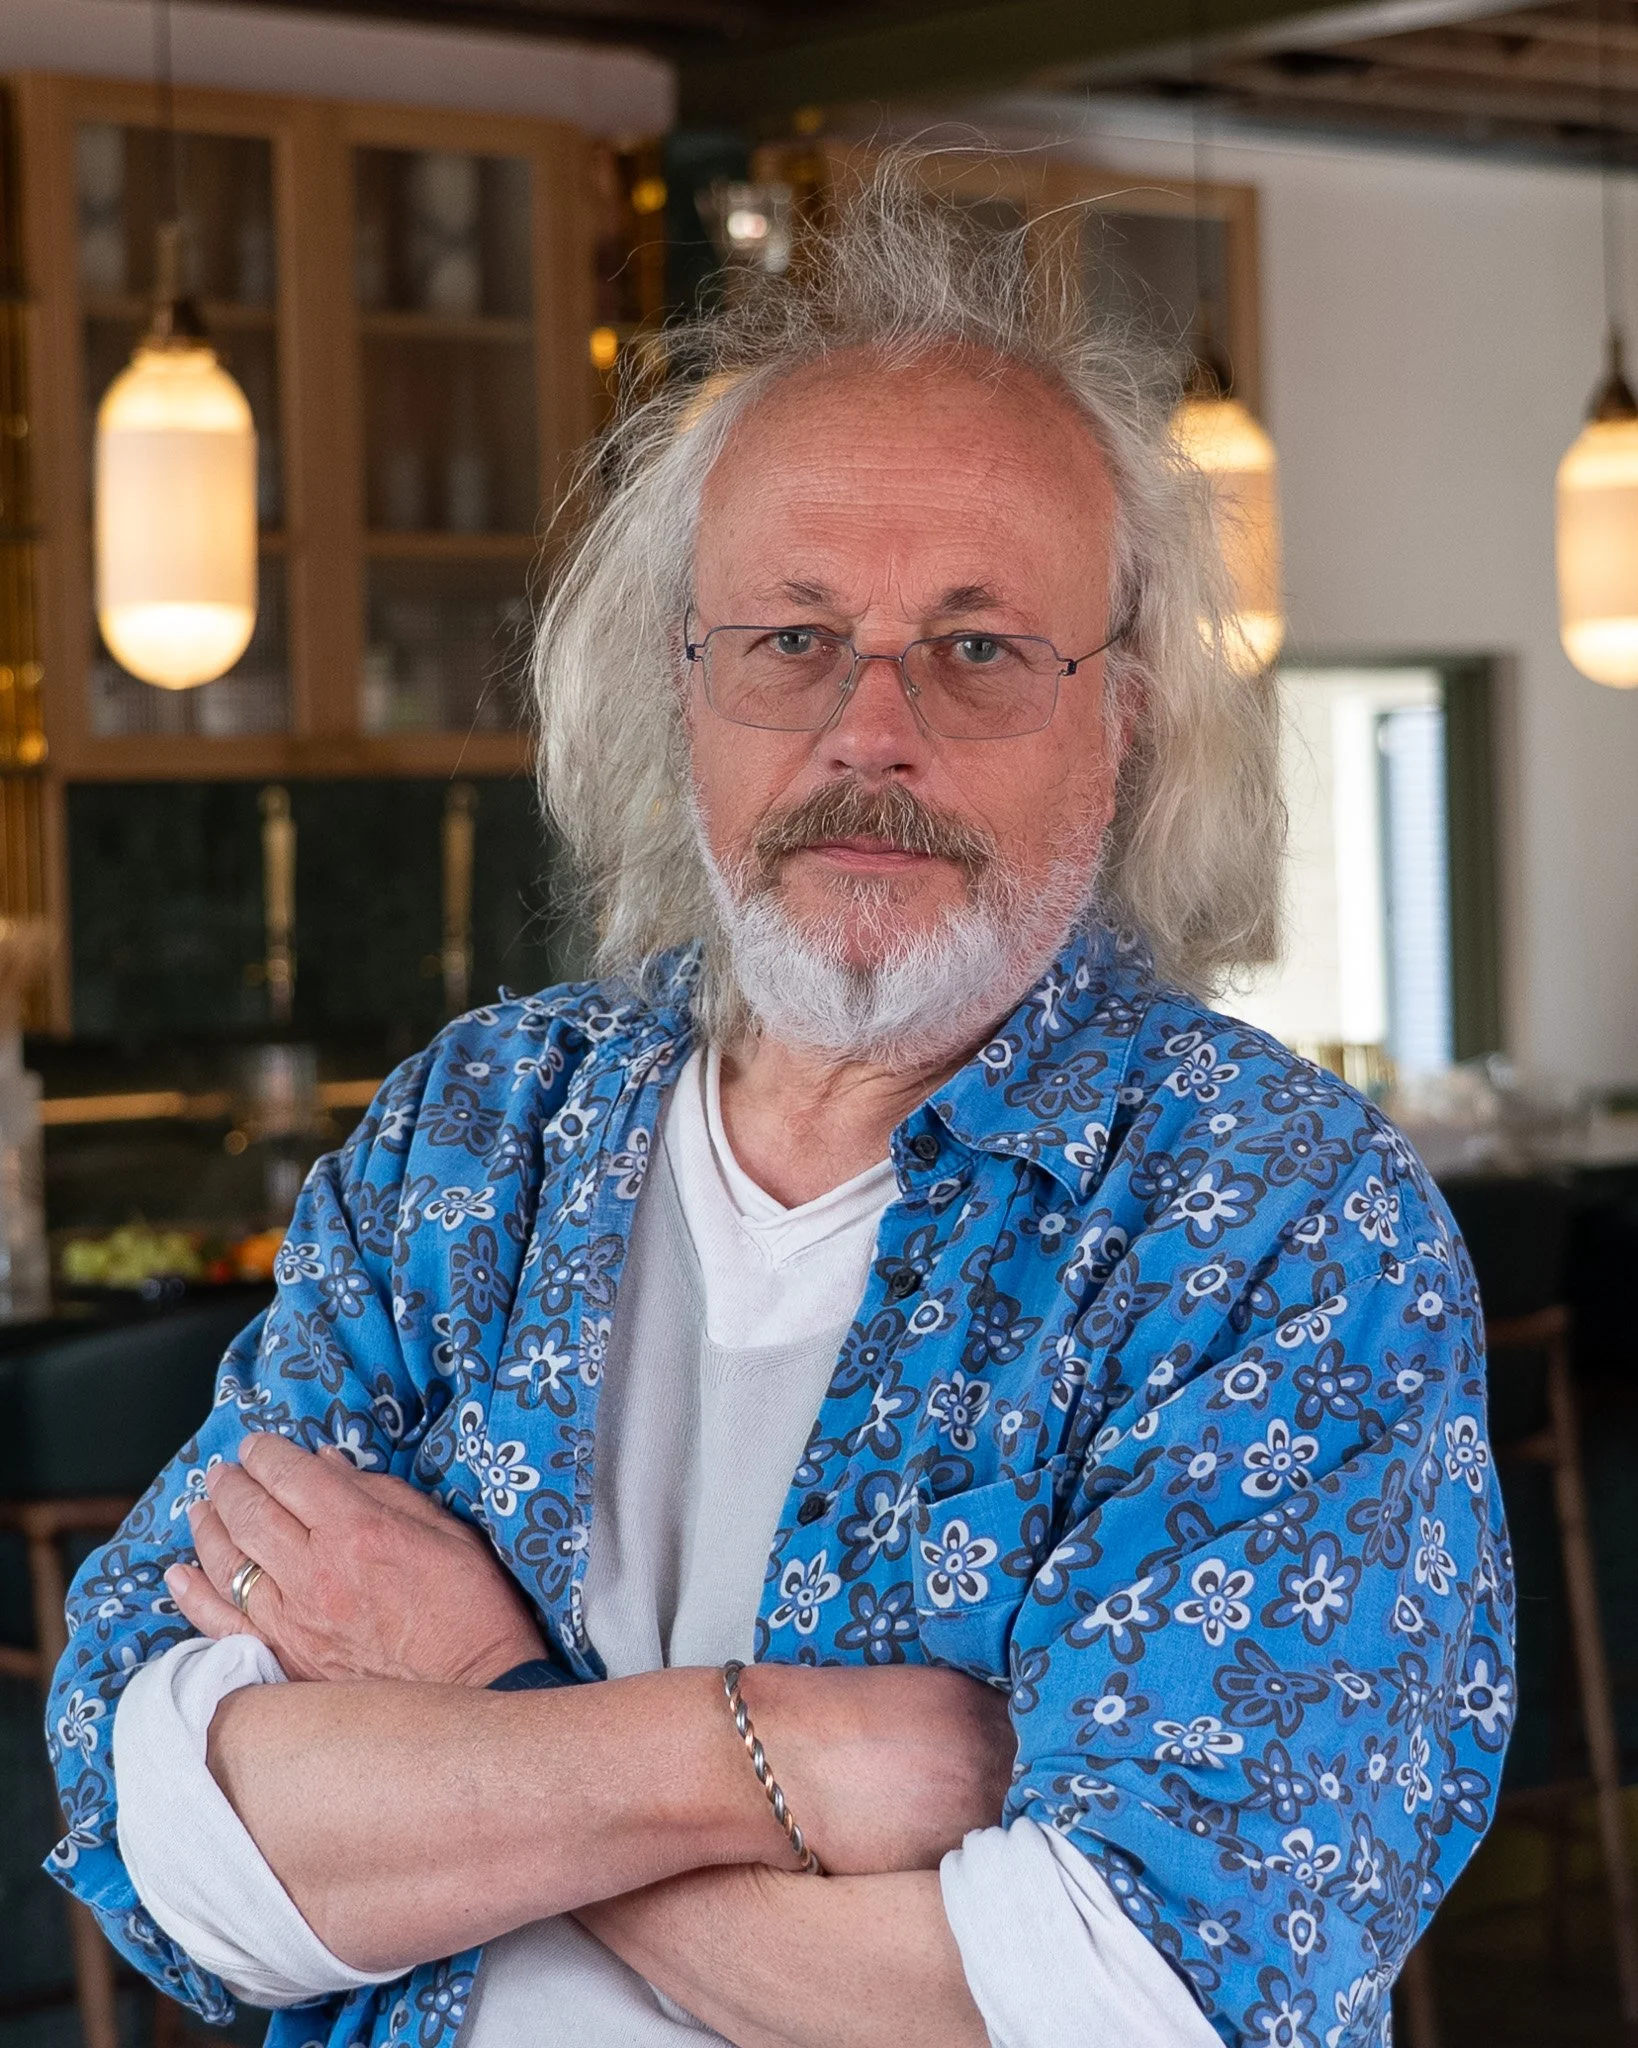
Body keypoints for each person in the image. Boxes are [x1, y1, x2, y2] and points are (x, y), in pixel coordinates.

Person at [46, 164, 1511, 2048]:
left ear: (1125, 715)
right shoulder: (470, 1140)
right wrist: (764, 1762)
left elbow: (1127, 2000)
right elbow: (164, 1829)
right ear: (686, 695)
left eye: (977, 647)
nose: (865, 731)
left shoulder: (1268, 1222)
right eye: (790, 637)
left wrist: (485, 1702)